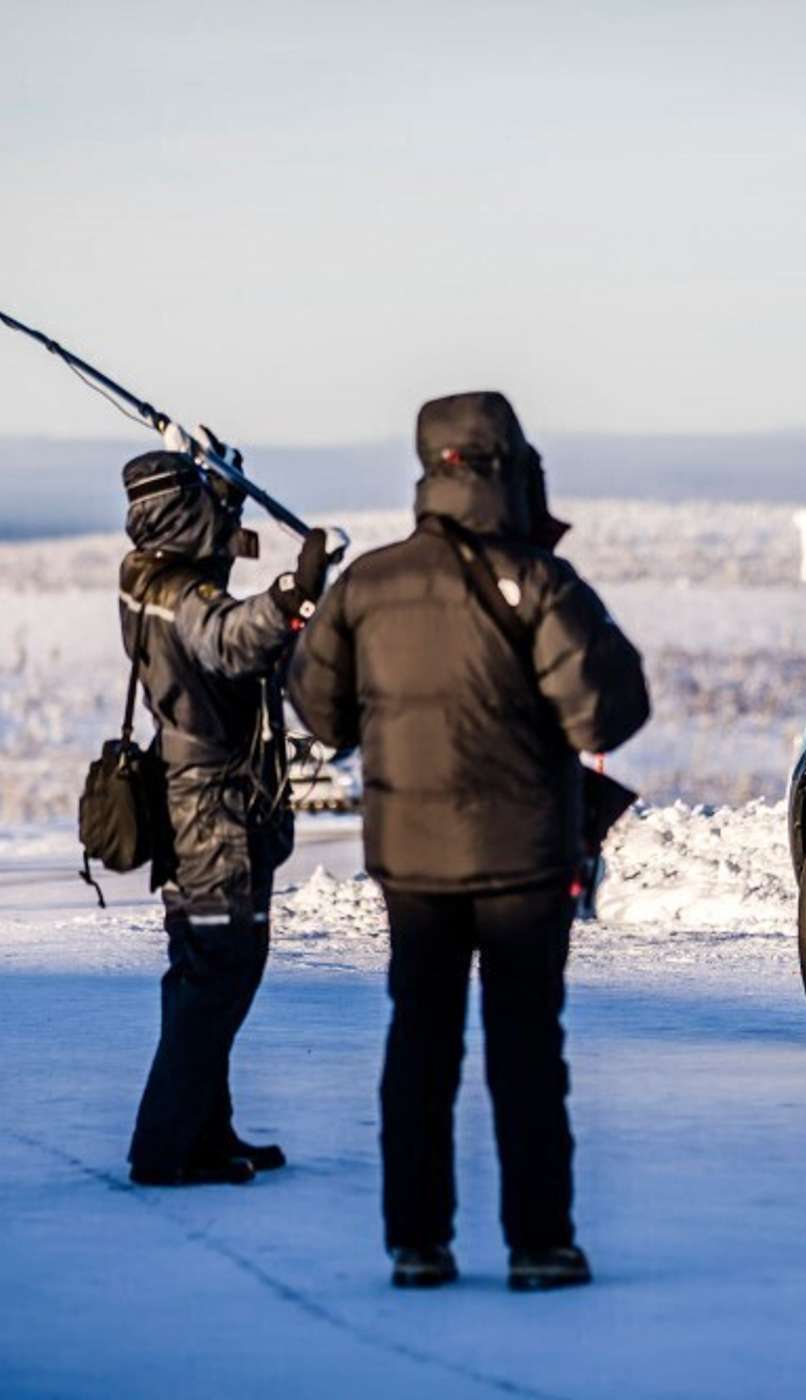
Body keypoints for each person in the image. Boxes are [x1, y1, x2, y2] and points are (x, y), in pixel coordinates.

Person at [286, 391, 649, 1292]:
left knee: (419, 1044)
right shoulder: (540, 581)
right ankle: (540, 1244)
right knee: (526, 1048)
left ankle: (418, 1243)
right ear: (512, 467)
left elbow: (319, 712)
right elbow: (608, 709)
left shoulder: (367, 584)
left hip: (411, 859)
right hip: (526, 856)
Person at [121, 439, 329, 1185]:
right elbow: (234, 638)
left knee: (209, 966)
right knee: (220, 968)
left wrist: (225, 490)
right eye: (201, 501)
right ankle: (167, 1149)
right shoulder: (181, 599)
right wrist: (294, 592)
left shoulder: (147, 573)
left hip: (201, 795)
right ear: (180, 513)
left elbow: (205, 568)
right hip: (213, 805)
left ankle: (207, 1133)